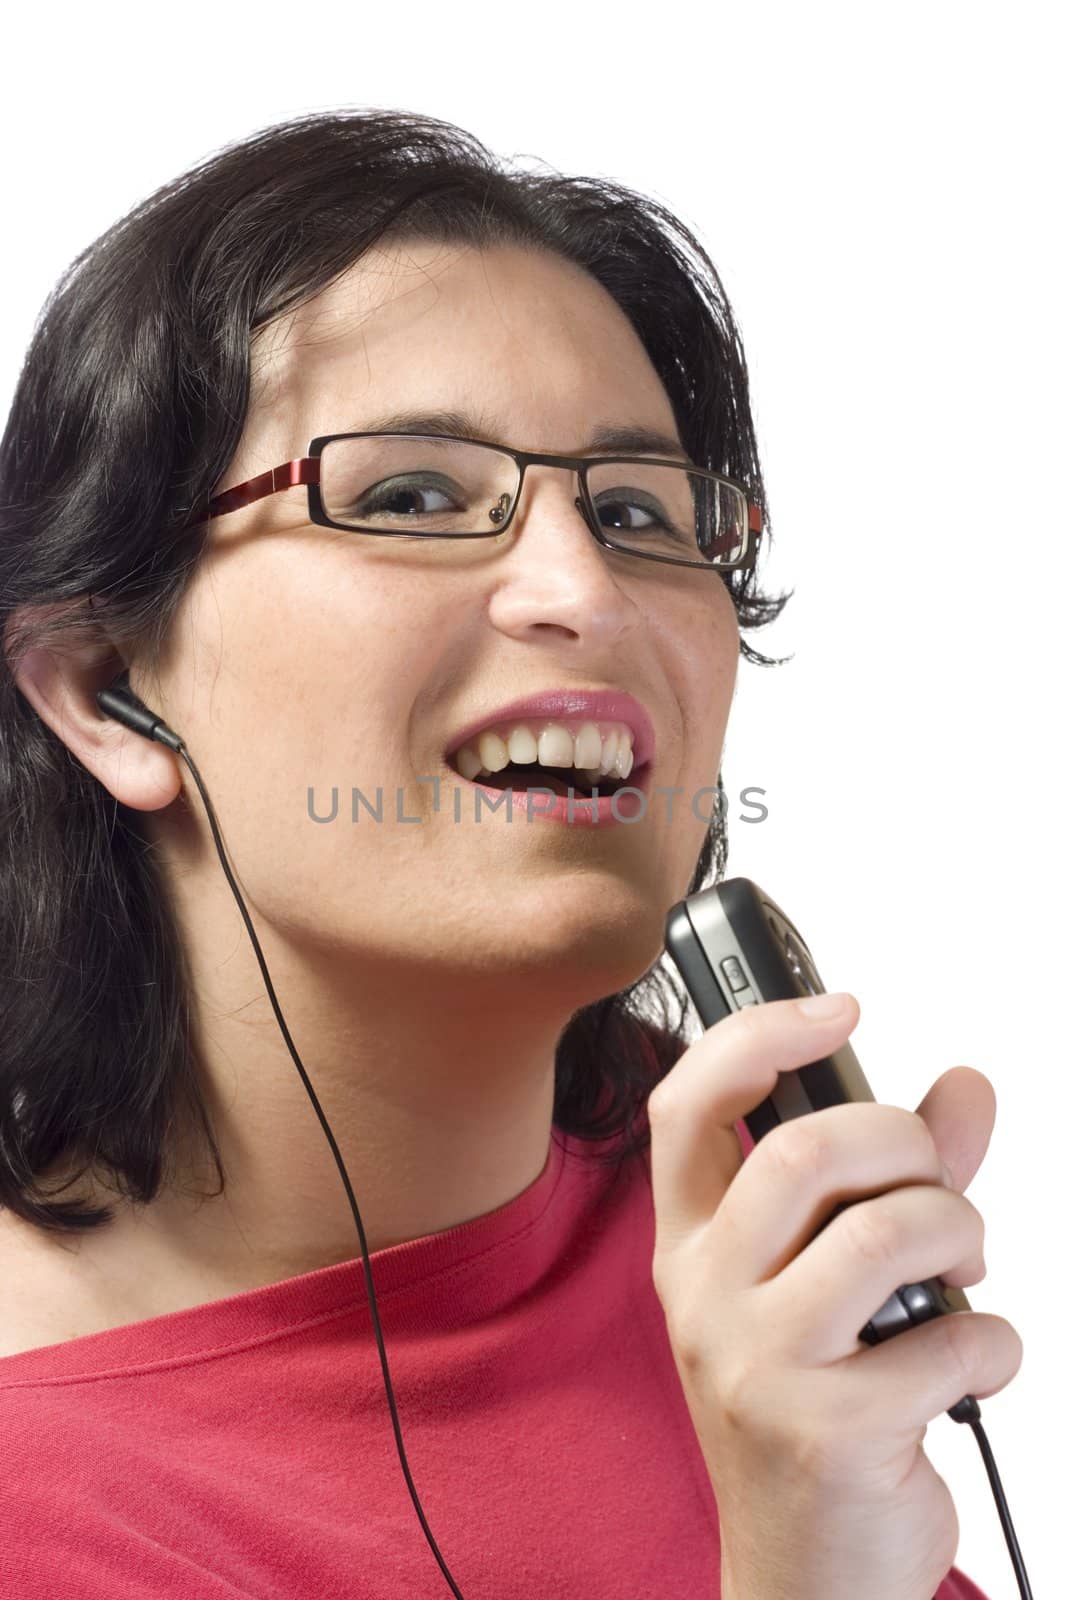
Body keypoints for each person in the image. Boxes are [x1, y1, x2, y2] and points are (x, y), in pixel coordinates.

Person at [0, 108, 1018, 1598]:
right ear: (106, 693)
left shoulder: (744, 1228)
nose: (582, 589)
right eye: (410, 494)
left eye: (633, 510)